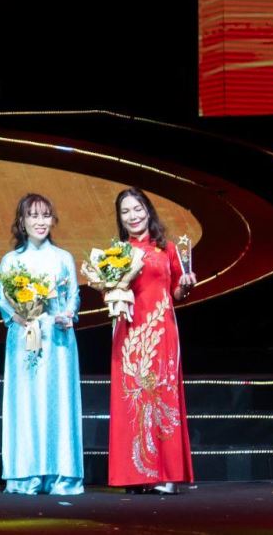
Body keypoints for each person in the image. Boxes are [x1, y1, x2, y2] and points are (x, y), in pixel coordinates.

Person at [107, 187, 195, 493]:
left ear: (148, 211)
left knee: (161, 397)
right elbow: (110, 290)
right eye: (125, 211)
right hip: (129, 331)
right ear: (120, 218)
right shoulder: (117, 253)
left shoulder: (166, 248)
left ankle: (166, 476)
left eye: (137, 209)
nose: (132, 216)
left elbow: (177, 293)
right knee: (132, 401)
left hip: (161, 331)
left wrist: (186, 285)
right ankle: (135, 476)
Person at [0, 192, 84, 496]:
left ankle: (62, 475)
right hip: (23, 339)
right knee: (26, 403)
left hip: (58, 340)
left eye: (45, 215)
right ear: (22, 222)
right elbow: (2, 299)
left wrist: (68, 314)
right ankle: (26, 474)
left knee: (58, 402)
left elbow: (73, 296)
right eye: (33, 216)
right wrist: (18, 317)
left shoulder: (63, 258)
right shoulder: (11, 261)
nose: (40, 221)